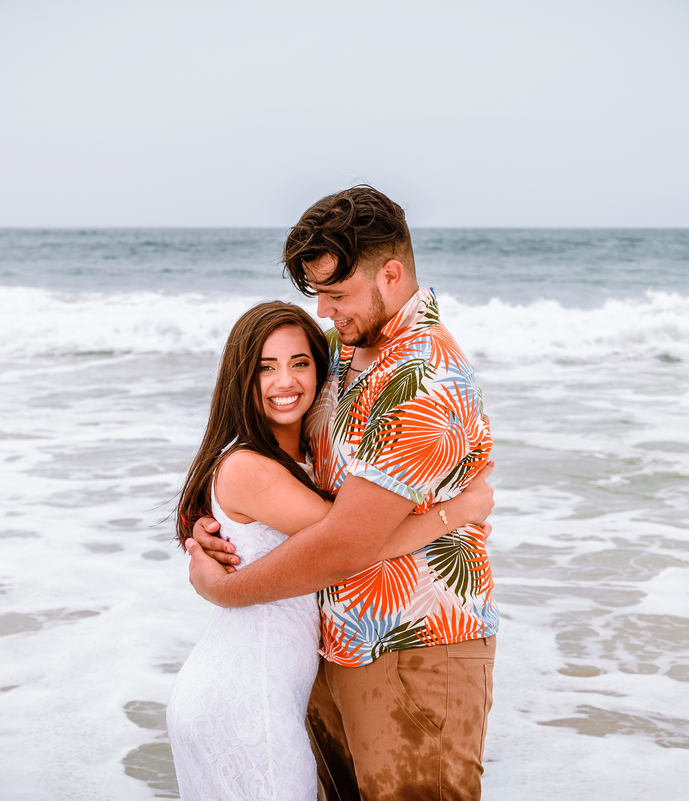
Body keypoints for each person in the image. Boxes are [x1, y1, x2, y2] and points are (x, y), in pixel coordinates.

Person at [187, 186, 499, 800]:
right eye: (319, 295)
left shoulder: (424, 383)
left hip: (413, 645)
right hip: (331, 644)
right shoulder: (346, 351)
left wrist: (224, 590)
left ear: (391, 273)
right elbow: (262, 439)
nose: (326, 313)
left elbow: (343, 546)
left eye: (337, 294)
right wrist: (208, 525)